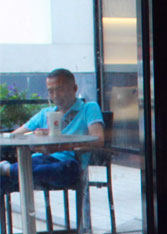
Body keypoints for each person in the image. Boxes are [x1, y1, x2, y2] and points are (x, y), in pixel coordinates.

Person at [0, 68, 104, 198]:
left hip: (70, 162)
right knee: (4, 179)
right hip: (38, 161)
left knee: (63, 168)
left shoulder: (88, 108)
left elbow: (98, 139)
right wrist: (36, 136)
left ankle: (9, 169)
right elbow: (14, 135)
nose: (55, 95)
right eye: (51, 91)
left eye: (60, 89)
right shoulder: (46, 113)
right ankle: (11, 171)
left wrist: (59, 147)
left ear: (74, 88)